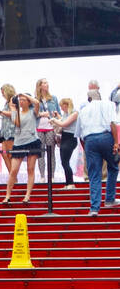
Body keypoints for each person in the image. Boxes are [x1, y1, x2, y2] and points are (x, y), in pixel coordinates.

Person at [55, 82, 119, 216]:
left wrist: (87, 148)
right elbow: (112, 124)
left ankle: (94, 208)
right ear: (99, 97)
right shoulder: (108, 104)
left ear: (88, 99)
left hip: (89, 140)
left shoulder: (83, 110)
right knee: (113, 167)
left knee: (94, 175)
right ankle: (109, 199)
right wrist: (116, 142)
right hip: (105, 137)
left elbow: (79, 134)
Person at [4, 93, 40, 205]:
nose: (21, 101)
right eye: (20, 100)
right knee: (13, 170)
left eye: (23, 100)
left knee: (30, 168)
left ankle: (27, 195)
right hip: (19, 142)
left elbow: (37, 103)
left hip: (32, 141)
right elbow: (17, 123)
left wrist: (24, 94)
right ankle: (7, 196)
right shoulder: (17, 113)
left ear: (28, 101)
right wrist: (12, 108)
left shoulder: (33, 111)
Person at [34, 77, 60, 183]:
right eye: (44, 83)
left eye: (47, 82)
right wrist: (41, 114)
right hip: (39, 128)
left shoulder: (53, 98)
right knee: (40, 153)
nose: (47, 84)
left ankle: (52, 175)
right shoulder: (35, 100)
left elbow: (59, 114)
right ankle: (42, 176)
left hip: (50, 128)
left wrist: (55, 114)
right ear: (40, 85)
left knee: (51, 152)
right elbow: (33, 115)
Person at [55, 97, 78, 187]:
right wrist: (58, 116)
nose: (61, 108)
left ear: (66, 105)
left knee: (65, 161)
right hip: (64, 137)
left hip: (71, 138)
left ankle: (71, 182)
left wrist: (54, 120)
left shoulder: (74, 113)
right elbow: (63, 121)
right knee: (64, 162)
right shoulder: (66, 114)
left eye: (62, 106)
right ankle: (68, 182)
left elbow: (64, 124)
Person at [0, 84, 17, 182]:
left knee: (10, 154)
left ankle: (13, 177)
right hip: (5, 132)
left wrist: (0, 111)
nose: (2, 95)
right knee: (4, 154)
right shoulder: (7, 102)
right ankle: (12, 176)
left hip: (11, 131)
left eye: (3, 92)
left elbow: (14, 114)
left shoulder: (12, 100)